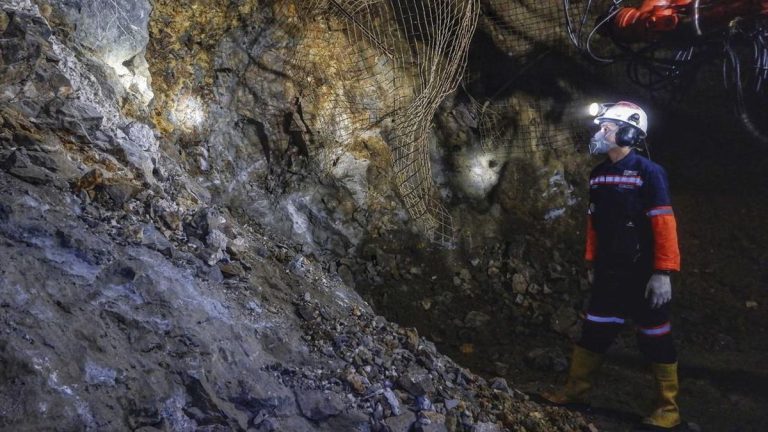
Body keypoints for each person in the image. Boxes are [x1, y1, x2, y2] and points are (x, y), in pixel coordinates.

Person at [543, 101, 682, 430]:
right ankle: (575, 392)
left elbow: (664, 224)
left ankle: (668, 408)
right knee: (595, 330)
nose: (600, 132)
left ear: (629, 134)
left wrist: (663, 273)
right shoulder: (598, 175)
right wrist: (592, 262)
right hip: (610, 270)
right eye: (602, 126)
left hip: (644, 273)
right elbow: (595, 224)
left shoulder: (649, 173)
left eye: (608, 127)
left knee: (655, 336)